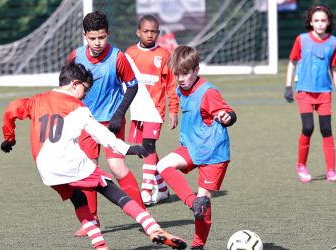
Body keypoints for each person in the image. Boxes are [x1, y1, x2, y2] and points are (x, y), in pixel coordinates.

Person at [0, 62, 187, 250]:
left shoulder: (36, 100)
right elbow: (101, 133)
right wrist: (128, 149)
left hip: (46, 170)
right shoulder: (77, 106)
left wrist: (9, 138)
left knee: (79, 199)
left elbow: (12, 108)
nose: (86, 94)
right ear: (74, 84)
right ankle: (153, 228)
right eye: (85, 89)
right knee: (112, 189)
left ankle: (100, 246)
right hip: (69, 163)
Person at [67, 11, 145, 236]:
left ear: (108, 34)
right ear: (85, 36)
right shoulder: (76, 56)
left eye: (101, 37)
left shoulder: (118, 57)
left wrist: (120, 114)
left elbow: (132, 85)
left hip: (112, 120)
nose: (97, 42)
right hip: (85, 122)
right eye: (92, 38)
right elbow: (68, 88)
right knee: (88, 170)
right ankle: (91, 221)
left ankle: (141, 214)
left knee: (117, 167)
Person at [156, 45, 237, 250]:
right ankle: (192, 203)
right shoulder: (180, 88)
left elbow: (227, 112)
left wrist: (228, 117)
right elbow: (174, 95)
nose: (181, 78)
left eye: (185, 73)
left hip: (213, 153)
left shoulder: (208, 92)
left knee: (205, 201)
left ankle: (197, 245)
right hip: (192, 146)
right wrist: (172, 111)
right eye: (177, 74)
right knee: (163, 165)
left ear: (196, 70)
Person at [284, 4, 336, 183]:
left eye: (323, 21)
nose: (320, 24)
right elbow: (292, 62)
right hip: (304, 91)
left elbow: (334, 68)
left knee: (326, 130)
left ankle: (331, 171)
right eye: (316, 20)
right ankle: (301, 166)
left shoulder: (333, 42)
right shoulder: (302, 39)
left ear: (328, 23)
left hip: (324, 93)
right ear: (310, 22)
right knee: (308, 128)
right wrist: (288, 86)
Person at [125, 15, 179, 206]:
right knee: (145, 151)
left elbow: (172, 84)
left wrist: (173, 109)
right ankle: (163, 190)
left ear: (158, 32)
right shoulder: (130, 53)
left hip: (155, 110)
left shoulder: (164, 54)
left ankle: (146, 190)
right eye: (146, 31)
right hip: (137, 109)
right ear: (138, 32)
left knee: (148, 146)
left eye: (154, 31)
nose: (150, 35)